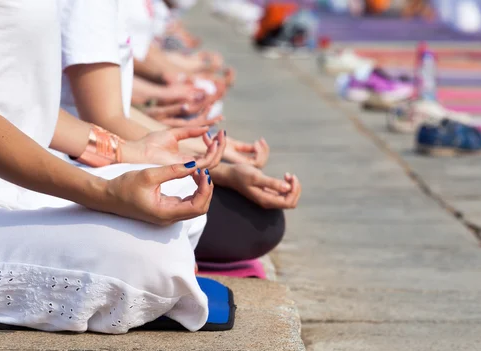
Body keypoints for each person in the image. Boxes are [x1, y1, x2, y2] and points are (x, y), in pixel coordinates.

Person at [0, 0, 220, 334]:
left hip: (12, 194)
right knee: (152, 261)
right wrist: (104, 193)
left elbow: (22, 104)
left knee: (179, 194)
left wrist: (128, 150)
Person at [60, 0, 301, 264]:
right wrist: (213, 167)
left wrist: (210, 155)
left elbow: (113, 111)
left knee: (257, 215)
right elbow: (104, 118)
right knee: (257, 224)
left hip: (81, 148)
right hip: (63, 163)